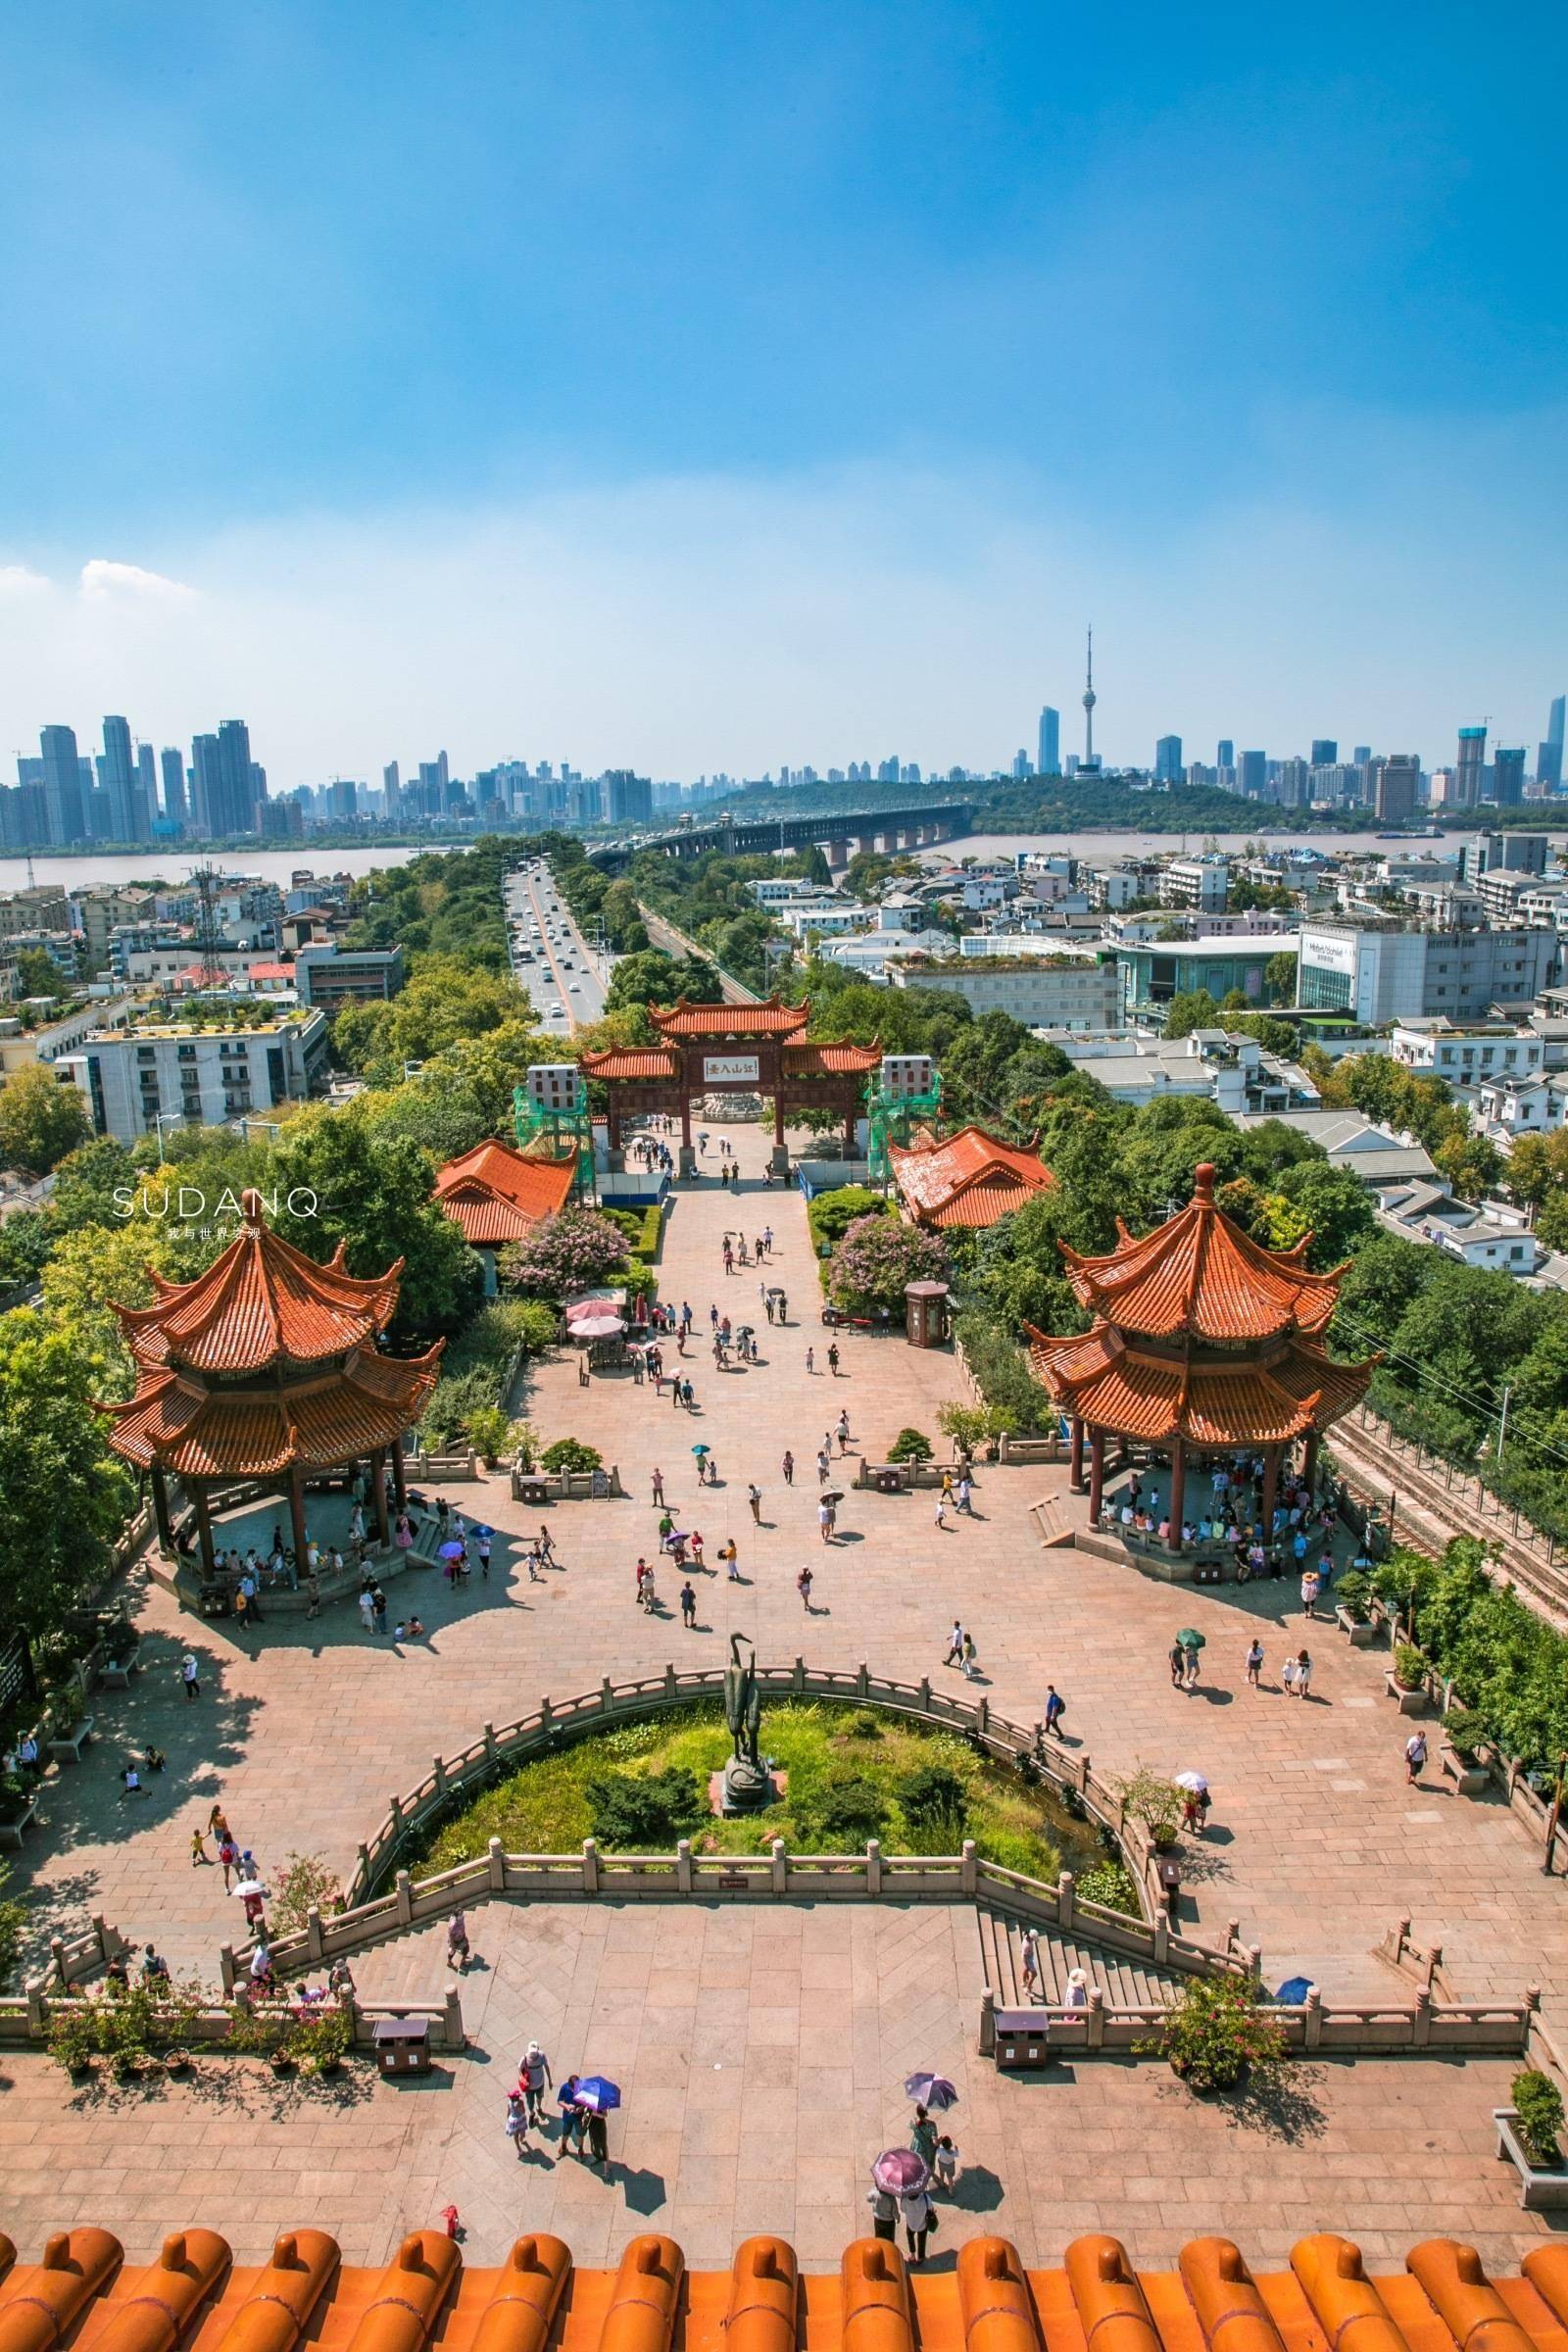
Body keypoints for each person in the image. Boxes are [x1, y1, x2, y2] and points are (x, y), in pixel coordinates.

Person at [901, 2184, 935, 2265]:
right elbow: (931, 2208)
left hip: (911, 2224)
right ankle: (920, 2258)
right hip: (923, 2225)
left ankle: (912, 2256)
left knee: (910, 2238)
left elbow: (903, 2210)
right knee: (922, 2241)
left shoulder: (905, 2200)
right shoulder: (925, 2197)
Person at [521, 2039, 552, 2122]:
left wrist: (549, 2080)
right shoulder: (525, 2058)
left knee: (539, 2098)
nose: (533, 2056)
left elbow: (546, 2067)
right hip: (529, 2087)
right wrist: (522, 2078)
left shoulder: (542, 2055)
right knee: (530, 2103)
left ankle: (538, 2108)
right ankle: (532, 2113)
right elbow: (519, 2068)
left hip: (540, 2084)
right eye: (532, 2054)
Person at [505, 2089, 530, 2158]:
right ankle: (519, 2148)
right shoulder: (513, 2103)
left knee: (521, 2134)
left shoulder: (517, 2102)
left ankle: (521, 2140)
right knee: (517, 2134)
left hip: (518, 2120)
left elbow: (522, 2111)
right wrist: (508, 2120)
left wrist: (519, 2107)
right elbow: (510, 2111)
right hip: (517, 2120)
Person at [1019, 1926, 1040, 2000]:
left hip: (1027, 1956)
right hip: (1028, 1959)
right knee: (1034, 1974)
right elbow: (1025, 1956)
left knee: (1026, 1969)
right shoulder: (1027, 1945)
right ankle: (1027, 1989)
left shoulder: (1025, 1936)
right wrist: (1026, 1964)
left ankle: (1024, 1982)